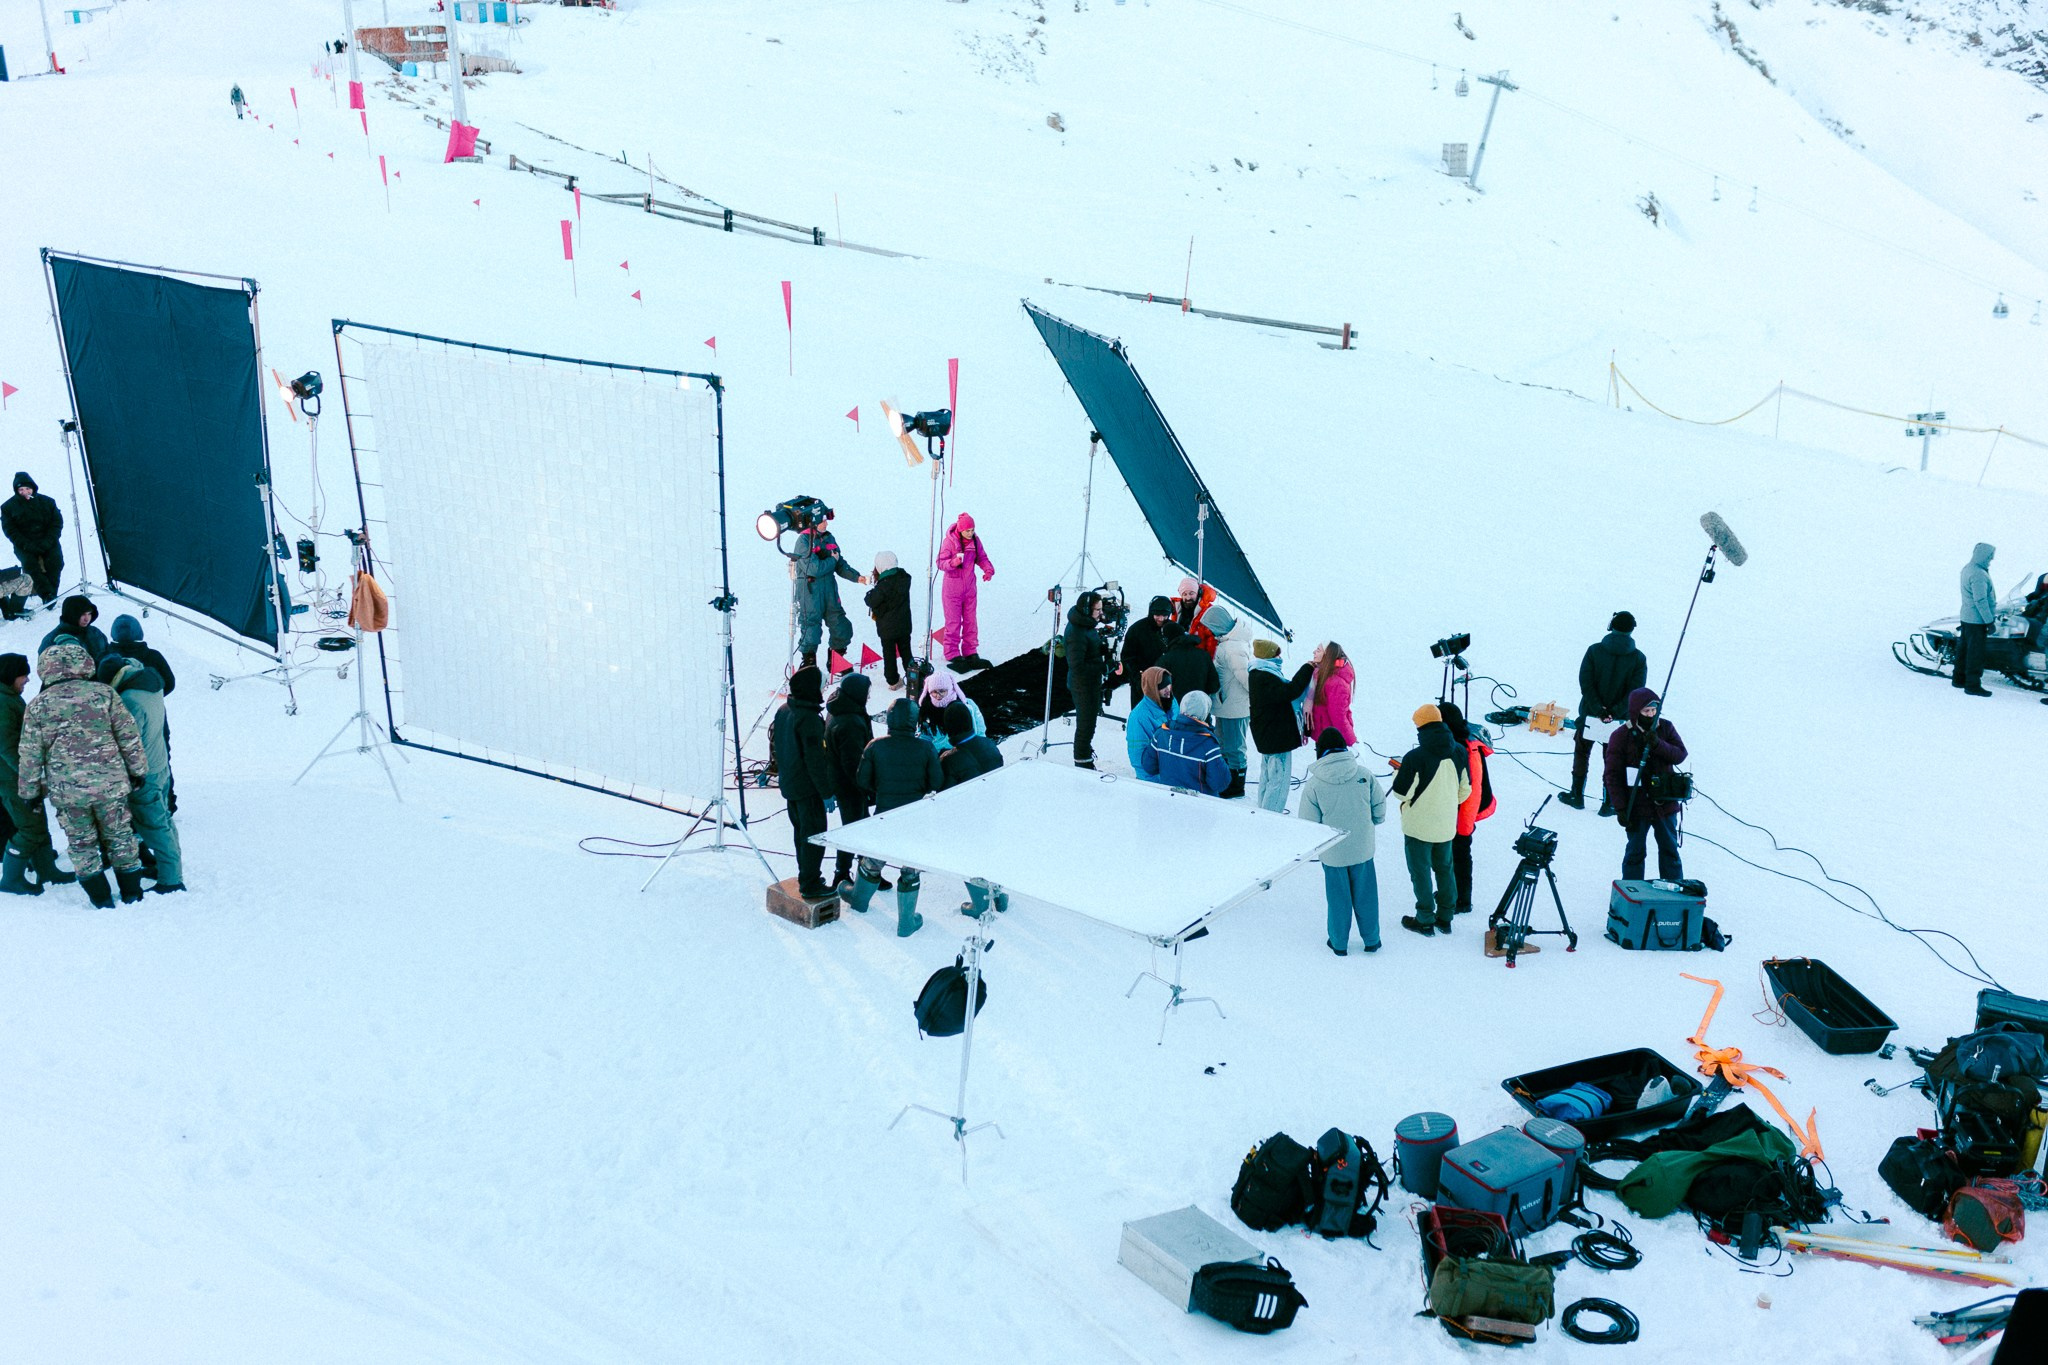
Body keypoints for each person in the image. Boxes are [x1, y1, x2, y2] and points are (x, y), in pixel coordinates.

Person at [17, 643, 149, 908]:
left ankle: (101, 899)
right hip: (110, 785)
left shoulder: (39, 705)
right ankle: (132, 894)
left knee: (81, 844)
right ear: (85, 663)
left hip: (68, 791)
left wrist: (29, 793)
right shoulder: (104, 694)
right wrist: (138, 770)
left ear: (47, 668)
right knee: (120, 836)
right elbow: (128, 736)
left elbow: (31, 753)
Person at [850, 698, 945, 936]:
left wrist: (883, 789)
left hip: (885, 812)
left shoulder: (875, 746)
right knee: (910, 867)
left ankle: (859, 901)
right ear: (914, 721)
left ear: (889, 720)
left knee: (873, 859)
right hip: (914, 816)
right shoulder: (925, 748)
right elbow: (936, 782)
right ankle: (906, 922)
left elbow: (863, 781)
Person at [1297, 727, 1386, 956]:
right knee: (1366, 897)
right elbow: (1379, 807)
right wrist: (1373, 821)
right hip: (1363, 849)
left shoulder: (1314, 785)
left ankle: (1338, 943)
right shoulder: (1364, 775)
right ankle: (1372, 940)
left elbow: (1309, 824)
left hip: (1333, 853)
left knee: (1338, 900)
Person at [102, 656, 183, 894]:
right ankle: (167, 867)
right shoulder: (150, 685)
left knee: (154, 826)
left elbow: (129, 743)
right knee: (164, 819)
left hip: (143, 773)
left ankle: (171, 879)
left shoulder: (129, 700)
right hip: (160, 765)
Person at [1391, 703, 1470, 937]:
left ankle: (1424, 918)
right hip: (1446, 826)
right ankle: (1446, 917)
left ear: (1422, 726)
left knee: (1421, 872)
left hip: (1418, 827)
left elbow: (1401, 792)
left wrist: (1398, 771)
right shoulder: (1458, 751)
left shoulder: (1415, 757)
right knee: (1445, 870)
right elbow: (1465, 790)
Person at [0, 652, 75, 895]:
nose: (28, 680)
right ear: (11, 674)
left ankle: (47, 871)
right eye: (24, 674)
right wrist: (29, 777)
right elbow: (8, 747)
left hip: (20, 778)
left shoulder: (9, 697)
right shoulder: (2, 703)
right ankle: (10, 879)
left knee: (38, 824)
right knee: (29, 829)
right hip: (12, 780)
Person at [1562, 611, 1647, 814]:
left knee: (1582, 753)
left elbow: (1586, 683)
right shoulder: (1638, 658)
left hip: (1590, 714)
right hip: (1618, 721)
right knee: (1613, 760)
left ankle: (1576, 796)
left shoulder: (1594, 651)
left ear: (1611, 626)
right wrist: (1614, 713)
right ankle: (1609, 803)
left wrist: (1598, 709)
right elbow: (1635, 692)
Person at [1604, 687, 1688, 881]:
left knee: (1670, 851)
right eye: (1646, 711)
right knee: (1635, 853)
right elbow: (1612, 775)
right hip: (1636, 805)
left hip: (1664, 804)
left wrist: (1658, 744)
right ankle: (1632, 895)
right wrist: (1621, 808)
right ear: (1635, 712)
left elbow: (1680, 754)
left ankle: (1673, 892)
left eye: (1654, 710)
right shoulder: (1620, 735)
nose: (1651, 715)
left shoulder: (1666, 727)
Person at [770, 666, 836, 899]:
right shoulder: (808, 719)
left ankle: (807, 875)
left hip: (791, 786)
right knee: (813, 836)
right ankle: (810, 884)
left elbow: (776, 748)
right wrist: (826, 792)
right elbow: (815, 760)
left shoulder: (784, 710)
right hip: (807, 789)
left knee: (801, 834)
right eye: (821, 684)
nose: (824, 688)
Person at [940, 702, 1009, 915]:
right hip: (992, 809)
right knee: (990, 851)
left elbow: (946, 793)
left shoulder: (950, 759)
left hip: (967, 817)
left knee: (968, 857)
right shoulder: (989, 744)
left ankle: (979, 905)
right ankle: (999, 895)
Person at [1439, 700, 1496, 915]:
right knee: (1455, 855)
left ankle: (1462, 900)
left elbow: (1472, 792)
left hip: (1464, 813)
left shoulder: (1464, 750)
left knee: (1460, 854)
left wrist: (1463, 825)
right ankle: (1455, 894)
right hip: (1461, 811)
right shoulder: (1465, 741)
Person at [1248, 639, 1314, 813]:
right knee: (1278, 780)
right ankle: (1271, 817)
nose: (1280, 656)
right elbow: (1291, 691)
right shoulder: (1265, 677)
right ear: (1269, 656)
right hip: (1276, 736)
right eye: (1277, 653)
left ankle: (1262, 811)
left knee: (1267, 777)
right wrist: (1307, 667)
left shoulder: (1258, 672)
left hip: (1267, 734)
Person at [823, 673, 874, 896]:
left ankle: (869, 872)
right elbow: (853, 763)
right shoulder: (849, 722)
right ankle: (841, 873)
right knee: (854, 828)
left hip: (844, 781)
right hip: (849, 785)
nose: (870, 697)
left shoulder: (842, 707)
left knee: (863, 825)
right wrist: (867, 787)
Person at [793, 516, 863, 672]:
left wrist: (857, 577)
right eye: (822, 521)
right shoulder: (803, 541)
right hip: (810, 592)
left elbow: (840, 563)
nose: (826, 523)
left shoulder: (828, 537)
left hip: (829, 590)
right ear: (813, 522)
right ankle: (809, 664)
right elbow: (814, 568)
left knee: (841, 625)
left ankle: (836, 660)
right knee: (811, 626)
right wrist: (832, 560)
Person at [1064, 589, 1115, 770]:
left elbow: (1090, 649)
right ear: (1087, 610)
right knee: (1085, 725)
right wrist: (1103, 667)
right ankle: (1082, 762)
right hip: (1082, 686)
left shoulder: (1086, 624)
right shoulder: (1076, 632)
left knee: (1089, 723)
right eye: (1097, 610)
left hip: (1090, 682)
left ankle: (1084, 754)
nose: (1101, 613)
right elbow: (1077, 666)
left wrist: (1103, 650)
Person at [937, 513, 995, 670]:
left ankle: (970, 651)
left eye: (972, 529)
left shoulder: (975, 541)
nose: (971, 533)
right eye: (968, 530)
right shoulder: (949, 542)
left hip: (969, 588)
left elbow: (982, 557)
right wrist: (953, 562)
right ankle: (952, 653)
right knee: (953, 622)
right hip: (952, 589)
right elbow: (940, 563)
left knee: (971, 621)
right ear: (961, 529)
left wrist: (988, 570)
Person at [1144, 690, 1231, 795]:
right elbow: (1220, 783)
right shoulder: (1208, 745)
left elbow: (1148, 766)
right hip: (1201, 805)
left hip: (1168, 800)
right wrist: (1223, 762)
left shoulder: (1161, 733)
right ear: (1204, 712)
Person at [1204, 604, 1250, 797]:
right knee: (1225, 744)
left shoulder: (1232, 647)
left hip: (1235, 708)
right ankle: (1226, 780)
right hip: (1227, 705)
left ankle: (1236, 785)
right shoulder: (1228, 643)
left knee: (1234, 747)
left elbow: (1246, 678)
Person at [3, 472, 64, 605]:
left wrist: (48, 541)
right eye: (21, 489)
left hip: (48, 541)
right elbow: (10, 530)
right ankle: (47, 594)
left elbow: (57, 523)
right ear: (17, 491)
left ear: (33, 488)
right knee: (30, 565)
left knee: (56, 562)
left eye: (27, 488)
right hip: (25, 544)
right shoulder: (7, 507)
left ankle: (51, 593)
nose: (25, 492)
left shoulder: (48, 502)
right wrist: (27, 545)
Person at [863, 552, 915, 691]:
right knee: (906, 651)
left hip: (887, 629)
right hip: (904, 624)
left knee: (889, 654)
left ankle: (893, 680)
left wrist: (869, 593)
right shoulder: (904, 578)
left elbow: (871, 600)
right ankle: (914, 678)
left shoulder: (883, 585)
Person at [1956, 542, 1997, 698]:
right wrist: (1989, 621)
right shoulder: (1978, 574)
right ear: (1982, 556)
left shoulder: (1968, 568)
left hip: (1967, 617)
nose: (1990, 560)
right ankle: (1972, 685)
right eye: (1989, 557)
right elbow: (1980, 600)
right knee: (1975, 653)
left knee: (1963, 649)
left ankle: (1958, 679)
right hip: (1977, 620)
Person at [1119, 596, 1176, 707]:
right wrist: (1138, 678)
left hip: (1167, 686)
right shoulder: (1137, 630)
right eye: (1157, 615)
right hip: (1143, 684)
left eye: (1165, 615)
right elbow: (1127, 657)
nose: (1161, 619)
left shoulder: (1173, 630)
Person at [1126, 666, 1174, 783]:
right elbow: (1138, 757)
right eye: (1162, 687)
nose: (1168, 689)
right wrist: (1155, 783)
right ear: (1152, 688)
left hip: (1173, 774)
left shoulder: (1172, 703)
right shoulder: (1139, 717)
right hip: (1154, 780)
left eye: (1169, 685)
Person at [916, 668, 984, 751]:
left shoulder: (968, 705)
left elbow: (980, 728)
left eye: (942, 691)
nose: (938, 696)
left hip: (965, 750)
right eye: (934, 692)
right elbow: (924, 736)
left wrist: (979, 747)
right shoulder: (926, 710)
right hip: (939, 753)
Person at [1303, 642, 1355, 748]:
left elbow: (1339, 716)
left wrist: (1351, 741)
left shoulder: (1336, 684)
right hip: (1325, 736)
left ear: (1327, 655)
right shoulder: (1319, 674)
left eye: (1318, 650)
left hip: (1333, 740)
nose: (1314, 652)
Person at [1156, 620, 1218, 707]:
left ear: (1168, 639)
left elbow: (1156, 690)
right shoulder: (1204, 655)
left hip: (1174, 712)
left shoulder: (1165, 660)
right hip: (1201, 710)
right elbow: (1214, 686)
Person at [40, 596, 109, 663]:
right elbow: (46, 670)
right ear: (72, 614)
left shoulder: (95, 632)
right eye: (83, 614)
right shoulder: (52, 640)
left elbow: (108, 655)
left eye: (89, 614)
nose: (87, 619)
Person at [1172, 577, 1219, 654]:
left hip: (1199, 658)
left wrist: (1206, 661)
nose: (1188, 597)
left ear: (1198, 593)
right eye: (1185, 594)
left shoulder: (1208, 611)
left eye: (1191, 593)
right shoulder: (1177, 609)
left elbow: (1212, 640)